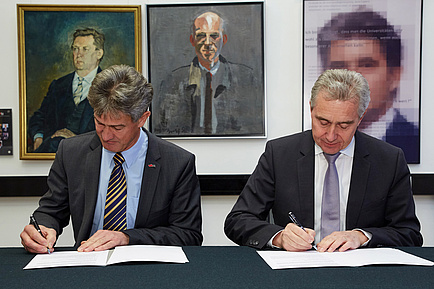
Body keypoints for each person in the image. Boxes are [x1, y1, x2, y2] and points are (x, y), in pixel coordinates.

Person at [225, 69, 422, 252]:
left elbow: (409, 233)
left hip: (361, 275)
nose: (330, 135)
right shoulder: (279, 154)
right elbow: (238, 220)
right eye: (323, 122)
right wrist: (280, 237)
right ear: (311, 110)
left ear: (360, 118)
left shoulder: (389, 160)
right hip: (296, 272)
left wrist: (361, 236)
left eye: (344, 125)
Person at [20, 64, 203, 254]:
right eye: (99, 122)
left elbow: (188, 235)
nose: (106, 135)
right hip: (88, 264)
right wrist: (41, 228)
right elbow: (51, 210)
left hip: (149, 269)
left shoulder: (177, 163)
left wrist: (127, 238)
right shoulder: (71, 152)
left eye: (117, 127)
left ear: (142, 118)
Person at [316, 8, 419, 163]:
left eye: (366, 65)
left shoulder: (408, 146)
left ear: (394, 76)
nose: (351, 78)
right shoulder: (293, 151)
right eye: (339, 67)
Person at [153, 11, 264, 136]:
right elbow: (163, 129)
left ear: (224, 39)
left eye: (214, 36)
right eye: (200, 36)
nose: (207, 43)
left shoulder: (246, 78)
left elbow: (252, 127)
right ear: (192, 40)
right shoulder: (173, 81)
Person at [28, 28, 105, 153]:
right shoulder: (58, 85)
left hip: (90, 157)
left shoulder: (110, 86)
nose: (78, 54)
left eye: (85, 49)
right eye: (75, 49)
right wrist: (38, 137)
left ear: (99, 53)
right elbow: (39, 117)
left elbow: (116, 130)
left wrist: (77, 140)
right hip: (53, 154)